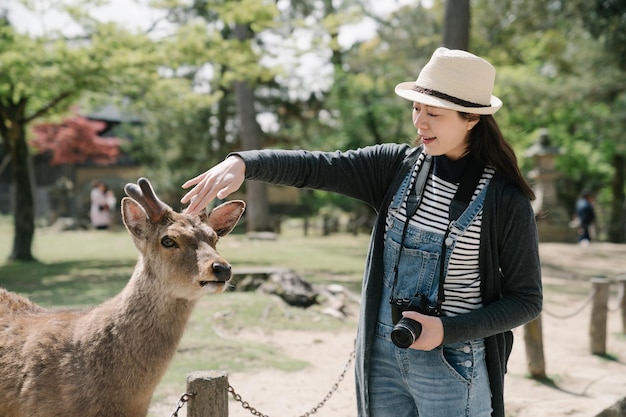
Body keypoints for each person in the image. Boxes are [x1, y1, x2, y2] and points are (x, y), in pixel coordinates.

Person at [181, 48, 542, 417]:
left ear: (472, 119)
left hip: (453, 365)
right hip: (381, 355)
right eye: (417, 108)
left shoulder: (505, 201)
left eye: (434, 113)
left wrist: (447, 331)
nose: (420, 122)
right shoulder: (394, 167)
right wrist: (245, 163)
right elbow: (318, 168)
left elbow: (527, 300)